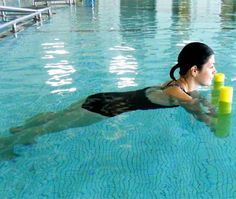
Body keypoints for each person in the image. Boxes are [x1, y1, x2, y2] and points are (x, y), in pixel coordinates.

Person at [0, 42, 217, 159]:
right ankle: (7, 146)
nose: (215, 72)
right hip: (107, 108)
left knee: (55, 118)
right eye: (211, 67)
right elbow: (197, 112)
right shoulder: (178, 94)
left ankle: (19, 130)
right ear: (195, 70)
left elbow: (193, 97)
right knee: (47, 129)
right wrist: (216, 121)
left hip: (104, 97)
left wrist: (206, 103)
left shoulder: (173, 84)